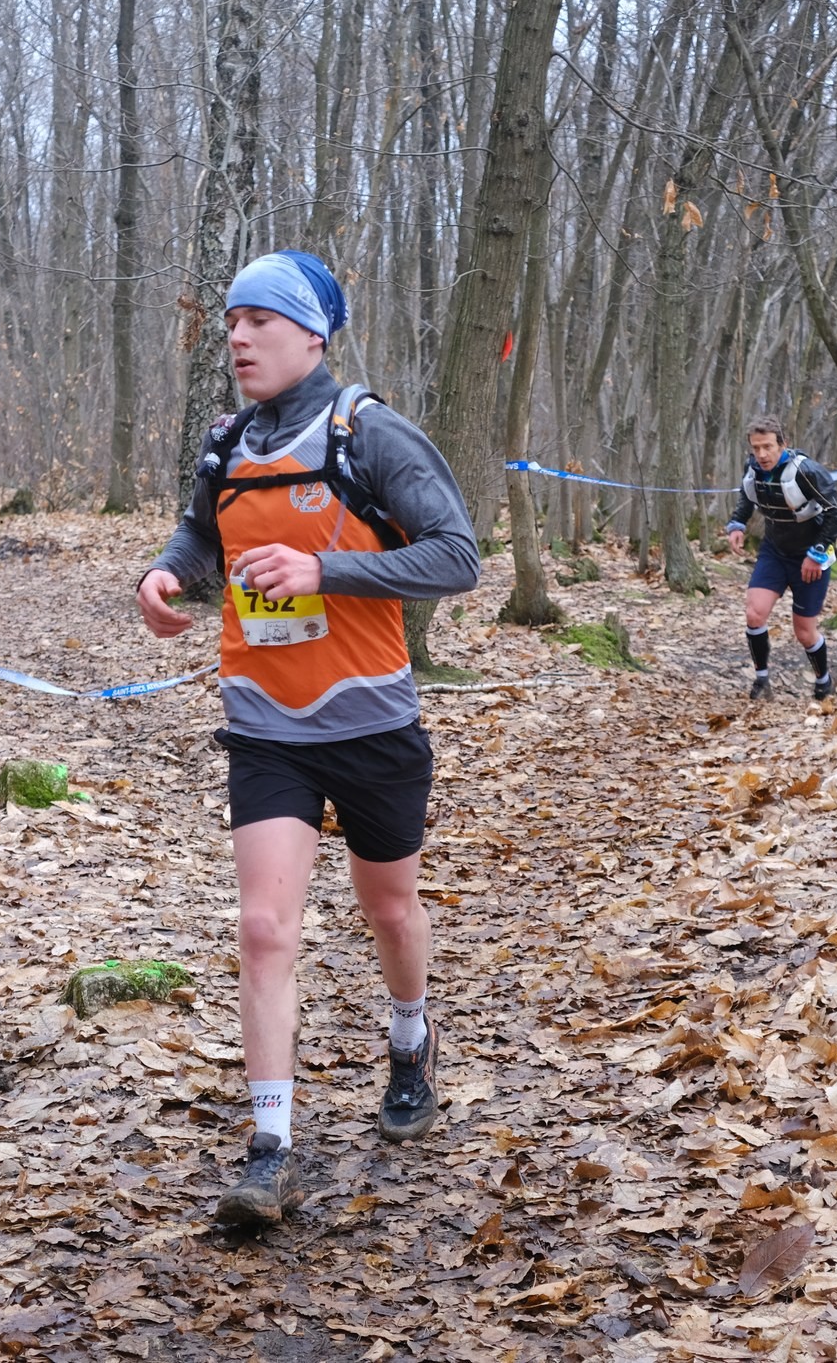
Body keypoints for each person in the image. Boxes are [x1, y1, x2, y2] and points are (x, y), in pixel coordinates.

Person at [135, 250, 480, 1227]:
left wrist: (325, 571)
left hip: (372, 725)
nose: (236, 337)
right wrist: (167, 580)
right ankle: (271, 1148)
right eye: (231, 322)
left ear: (310, 335)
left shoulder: (371, 437)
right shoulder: (226, 444)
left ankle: (408, 1038)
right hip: (265, 726)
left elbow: (456, 558)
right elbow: (201, 537)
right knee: (262, 929)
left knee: (389, 909)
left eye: (259, 320)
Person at [723, 415, 837, 701]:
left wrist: (816, 553)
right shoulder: (752, 467)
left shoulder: (808, 471)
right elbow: (745, 495)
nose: (762, 454)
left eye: (767, 447)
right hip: (774, 551)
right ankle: (762, 680)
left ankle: (824, 682)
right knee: (754, 613)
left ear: (783, 444)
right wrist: (737, 524)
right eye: (756, 448)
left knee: (804, 631)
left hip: (811, 554)